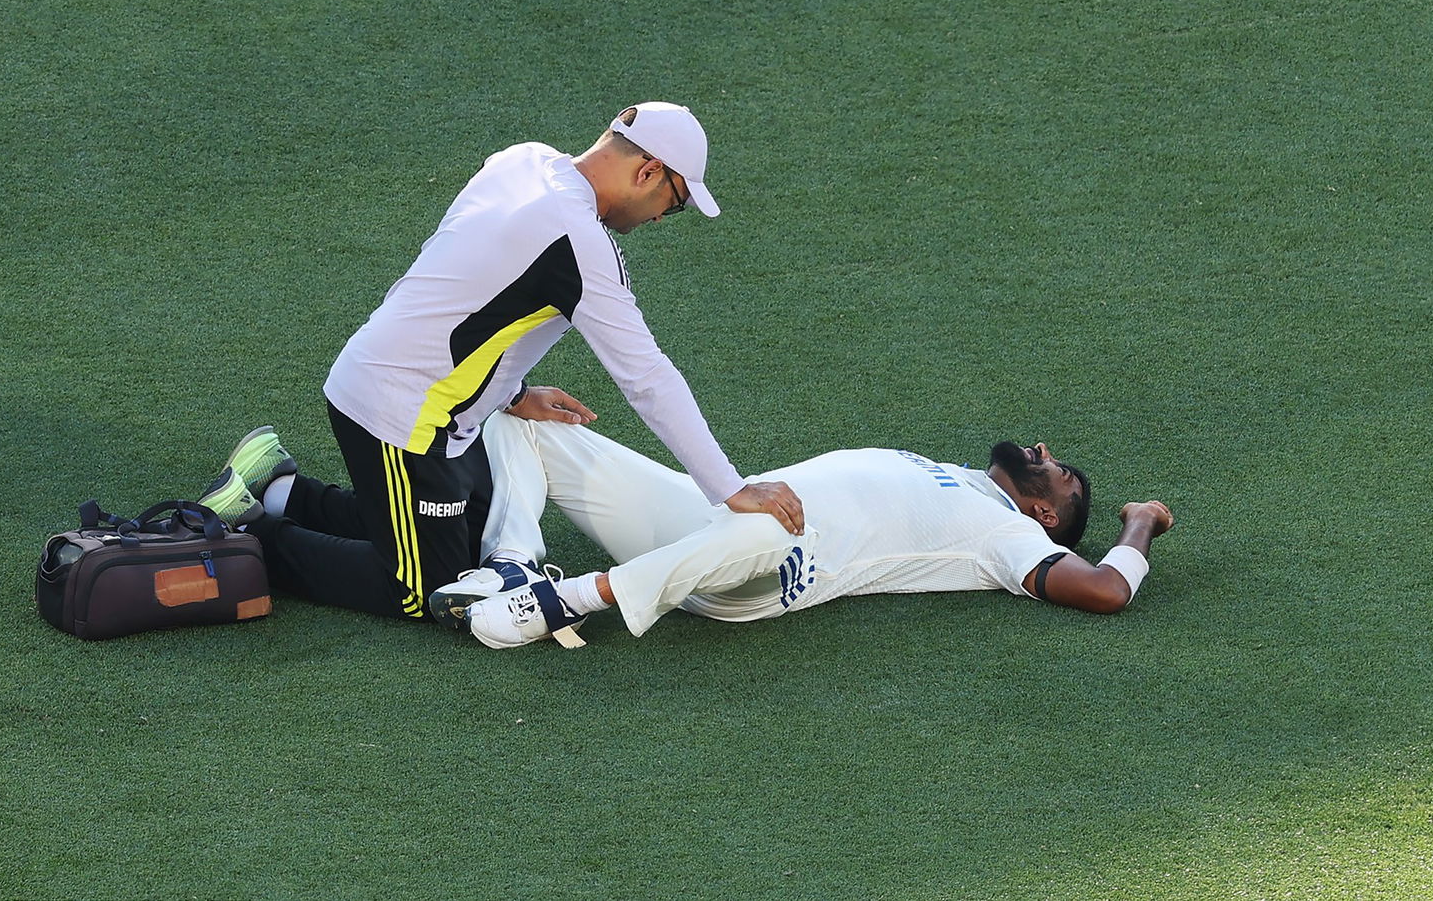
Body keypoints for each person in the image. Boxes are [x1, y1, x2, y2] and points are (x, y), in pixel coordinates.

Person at [196, 103, 803, 623]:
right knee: (426, 588)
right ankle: (243, 540)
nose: (657, 221)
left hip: (398, 388)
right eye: (670, 206)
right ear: (647, 171)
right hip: (403, 416)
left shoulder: (522, 159)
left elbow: (472, 286)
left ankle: (275, 486)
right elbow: (646, 377)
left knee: (465, 535)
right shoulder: (582, 244)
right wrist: (730, 489)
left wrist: (512, 395)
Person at [433, 412, 1174, 649]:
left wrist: (1139, 524)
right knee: (522, 420)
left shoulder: (1014, 540)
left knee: (770, 532)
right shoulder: (955, 474)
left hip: (767, 571)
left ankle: (571, 602)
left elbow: (1107, 590)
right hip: (705, 519)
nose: (1044, 453)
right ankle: (512, 564)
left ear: (1048, 516)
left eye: (1060, 473)